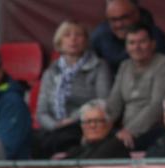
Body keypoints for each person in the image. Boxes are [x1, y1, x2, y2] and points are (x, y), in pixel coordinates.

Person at [34, 21, 113, 159]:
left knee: (60, 141)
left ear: (86, 40)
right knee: (32, 141)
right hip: (54, 128)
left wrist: (72, 119)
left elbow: (102, 101)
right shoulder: (51, 71)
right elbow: (41, 111)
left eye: (78, 35)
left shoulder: (99, 66)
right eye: (67, 35)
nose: (73, 39)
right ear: (59, 41)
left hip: (82, 125)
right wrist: (55, 126)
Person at [106, 24, 165, 150]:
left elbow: (158, 105)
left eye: (142, 42)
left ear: (153, 44)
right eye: (132, 43)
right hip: (125, 130)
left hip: (154, 130)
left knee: (112, 148)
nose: (137, 47)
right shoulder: (124, 66)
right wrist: (103, 125)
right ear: (126, 46)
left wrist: (130, 130)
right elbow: (114, 103)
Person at [91, 0, 165, 74]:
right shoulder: (101, 35)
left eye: (124, 18)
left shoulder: (155, 36)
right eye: (114, 20)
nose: (119, 24)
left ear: (136, 14)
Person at [62, 100, 131, 160]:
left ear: (109, 124)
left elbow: (88, 165)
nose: (92, 125)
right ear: (82, 126)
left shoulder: (116, 145)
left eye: (98, 121)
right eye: (88, 121)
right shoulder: (77, 150)